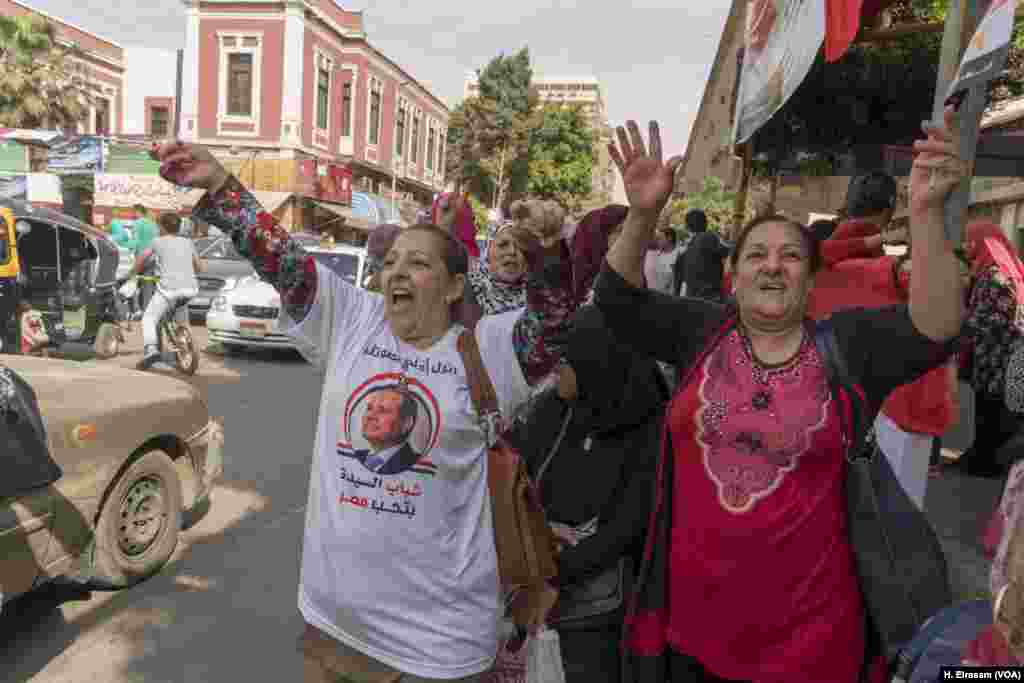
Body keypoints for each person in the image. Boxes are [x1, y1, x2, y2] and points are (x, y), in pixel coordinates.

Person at [152, 139, 574, 682]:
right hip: (334, 627)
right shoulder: (354, 317)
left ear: (451, 287)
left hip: (439, 648)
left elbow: (555, 327)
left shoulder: (484, 350)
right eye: (392, 259)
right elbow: (283, 260)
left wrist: (544, 253)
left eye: (418, 263)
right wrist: (220, 186)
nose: (396, 272)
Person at [594, 113, 963, 682]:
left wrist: (927, 213)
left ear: (810, 281)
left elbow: (937, 325)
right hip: (692, 639)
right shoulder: (700, 332)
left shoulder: (849, 348)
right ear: (733, 277)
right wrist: (642, 214)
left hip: (812, 649)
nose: (772, 265)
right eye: (756, 255)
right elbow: (616, 299)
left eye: (790, 256)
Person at [958, 220, 1024, 477]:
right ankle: (984, 459)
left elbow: (994, 317)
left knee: (991, 413)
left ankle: (987, 464)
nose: (966, 246)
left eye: (970, 240)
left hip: (997, 358)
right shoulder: (1007, 268)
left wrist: (959, 324)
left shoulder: (995, 275)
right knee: (994, 413)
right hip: (1003, 356)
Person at [130, 213, 203, 370]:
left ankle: (151, 350)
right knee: (182, 320)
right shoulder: (188, 242)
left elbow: (142, 258)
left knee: (149, 318)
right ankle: (183, 344)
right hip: (191, 289)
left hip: (169, 289)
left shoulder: (157, 241)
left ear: (161, 227)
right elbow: (199, 267)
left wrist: (133, 273)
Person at [339, 385, 422, 476]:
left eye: (383, 410)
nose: (370, 416)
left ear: (407, 423)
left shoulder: (417, 464)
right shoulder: (354, 456)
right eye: (369, 408)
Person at [679, 208, 730, 302]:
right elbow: (727, 251)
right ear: (705, 222)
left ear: (688, 226)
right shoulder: (708, 237)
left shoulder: (688, 246)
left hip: (691, 297)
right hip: (709, 297)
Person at [133, 204, 159, 313]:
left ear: (139, 211)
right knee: (148, 284)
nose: (134, 214)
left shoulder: (138, 223)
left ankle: (136, 309)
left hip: (140, 257)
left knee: (133, 283)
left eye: (135, 212)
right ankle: (147, 309)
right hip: (152, 257)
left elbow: (136, 241)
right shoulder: (154, 224)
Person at [643, 225, 681, 295]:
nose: (658, 241)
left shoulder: (679, 255)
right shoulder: (653, 255)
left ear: (669, 238)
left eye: (660, 238)